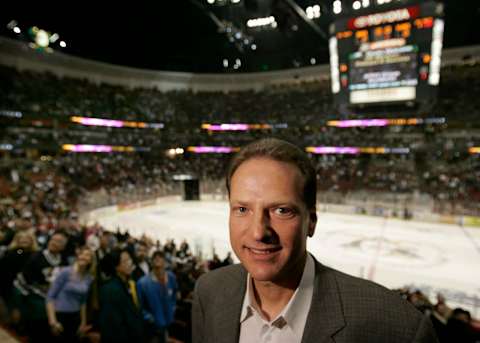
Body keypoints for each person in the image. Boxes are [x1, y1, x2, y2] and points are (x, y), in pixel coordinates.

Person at [192, 138, 439, 343]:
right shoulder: (209, 292)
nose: (258, 232)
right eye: (242, 209)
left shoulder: (398, 328)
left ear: (311, 221)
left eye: (281, 210)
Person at [14, 230, 68, 343]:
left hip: (56, 303)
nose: (54, 243)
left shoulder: (64, 260)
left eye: (59, 242)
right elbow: (22, 281)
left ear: (63, 246)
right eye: (53, 240)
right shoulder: (36, 257)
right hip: (37, 303)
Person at [46, 246, 95, 343]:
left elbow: (83, 302)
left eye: (87, 255)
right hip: (59, 315)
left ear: (91, 261)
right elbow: (50, 297)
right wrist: (53, 322)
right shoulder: (65, 272)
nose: (83, 257)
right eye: (82, 254)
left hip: (75, 317)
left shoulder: (89, 278)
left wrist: (83, 322)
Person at [99, 248, 145, 343]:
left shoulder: (127, 283)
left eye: (130, 259)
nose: (131, 262)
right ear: (116, 266)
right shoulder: (111, 289)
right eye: (126, 261)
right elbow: (113, 327)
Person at [137, 250, 178, 343]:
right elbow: (140, 307)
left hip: (169, 321)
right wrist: (151, 318)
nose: (158, 260)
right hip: (152, 328)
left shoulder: (171, 277)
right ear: (151, 262)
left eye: (160, 258)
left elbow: (175, 293)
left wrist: (173, 307)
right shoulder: (143, 283)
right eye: (155, 258)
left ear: (165, 262)